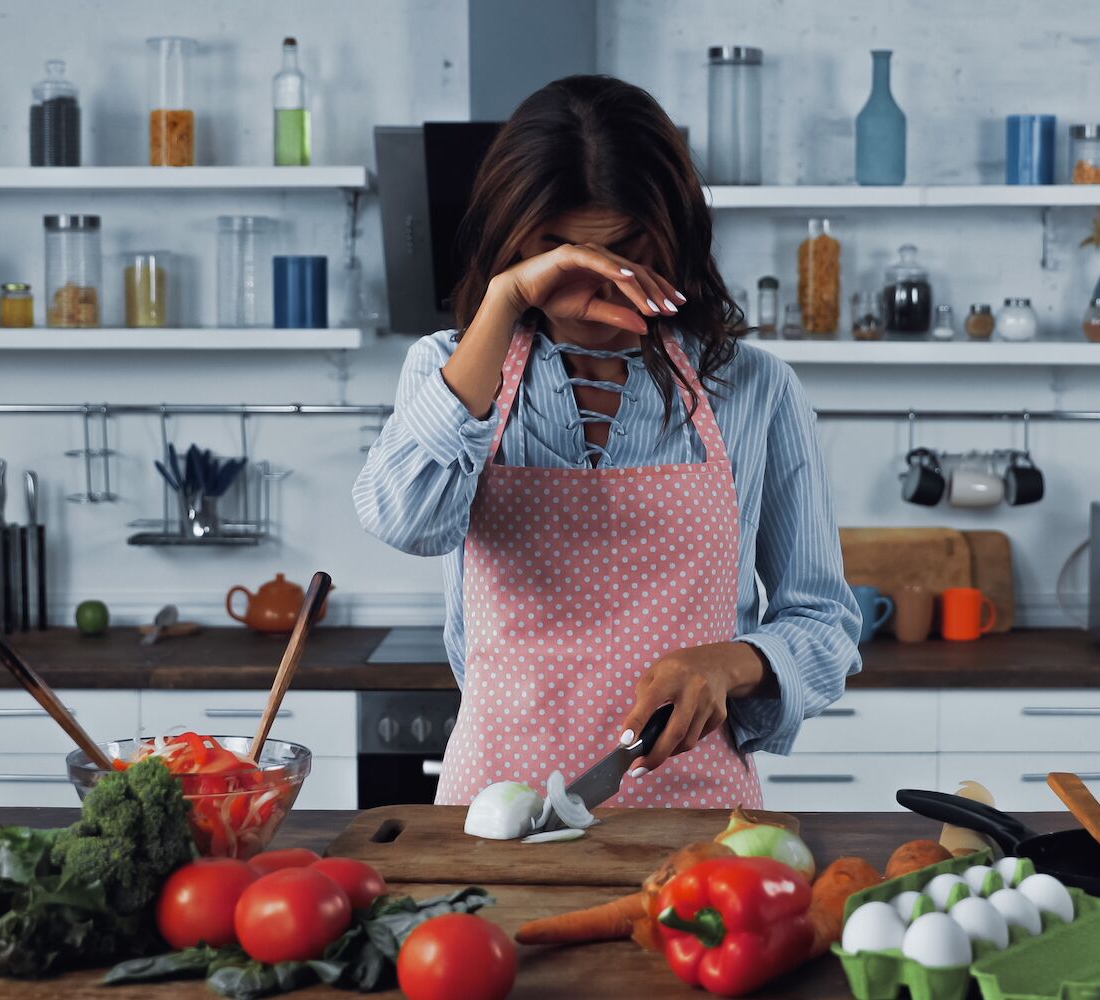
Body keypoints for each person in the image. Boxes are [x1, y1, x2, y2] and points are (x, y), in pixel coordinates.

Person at [354, 75, 860, 808]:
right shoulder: (448, 371)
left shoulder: (754, 390)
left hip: (697, 823)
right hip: (497, 816)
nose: (598, 282)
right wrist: (504, 302)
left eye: (625, 249)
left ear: (678, 233)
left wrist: (734, 662)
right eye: (558, 251)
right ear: (512, 242)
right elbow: (405, 520)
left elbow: (825, 623)